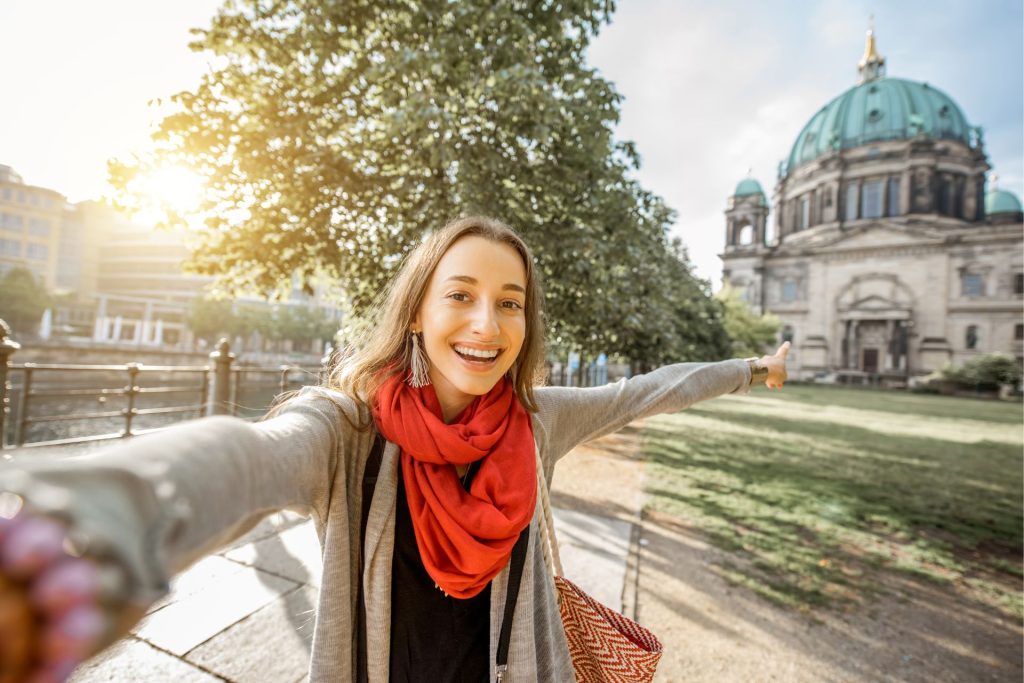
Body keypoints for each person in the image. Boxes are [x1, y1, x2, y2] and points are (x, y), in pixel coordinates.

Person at [0, 216, 790, 683]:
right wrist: (93, 528)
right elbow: (248, 456)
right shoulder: (346, 427)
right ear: (416, 312)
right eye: (461, 295)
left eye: (508, 304)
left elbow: (650, 387)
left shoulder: (536, 418)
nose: (487, 324)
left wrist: (754, 368)